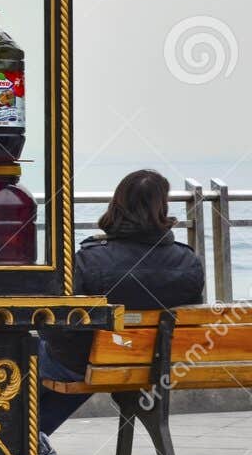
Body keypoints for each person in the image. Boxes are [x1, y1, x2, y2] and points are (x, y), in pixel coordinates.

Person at [40, 169, 206, 433]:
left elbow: (55, 327)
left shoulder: (87, 259)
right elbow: (191, 320)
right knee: (87, 359)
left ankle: (22, 437)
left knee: (29, 352)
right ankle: (34, 436)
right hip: (156, 365)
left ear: (117, 205)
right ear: (162, 207)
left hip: (93, 363)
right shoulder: (189, 262)